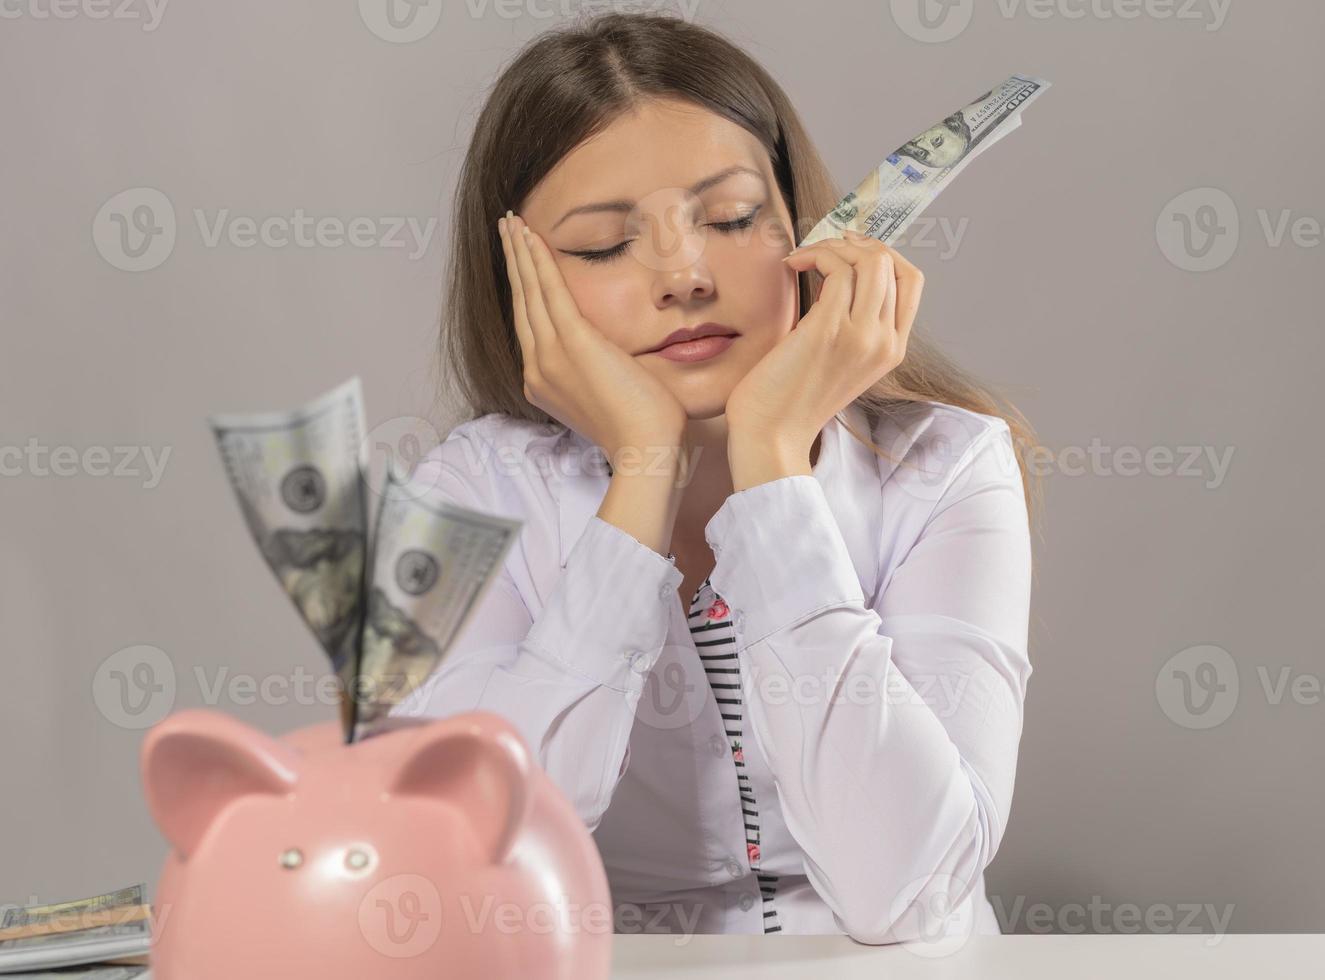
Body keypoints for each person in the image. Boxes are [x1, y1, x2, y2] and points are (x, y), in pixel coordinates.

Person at [391, 11, 1041, 946]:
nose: (684, 275)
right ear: (518, 286)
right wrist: (641, 477)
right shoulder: (465, 494)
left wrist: (773, 466)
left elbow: (905, 890)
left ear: (804, 226)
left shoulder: (946, 467)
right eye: (603, 244)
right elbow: (458, 866)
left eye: (732, 219)